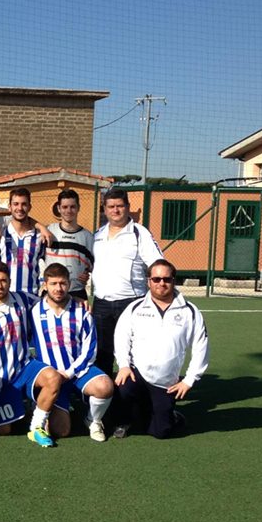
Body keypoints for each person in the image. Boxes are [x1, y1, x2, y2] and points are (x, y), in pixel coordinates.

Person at [0, 262, 62, 447]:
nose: (0, 285)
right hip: (1, 378)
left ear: (10, 281)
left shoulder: (23, 299)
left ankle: (36, 427)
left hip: (25, 367)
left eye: (3, 280)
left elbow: (50, 300)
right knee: (5, 431)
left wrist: (77, 301)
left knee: (53, 378)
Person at [113, 259, 209, 439]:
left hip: (166, 380)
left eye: (166, 279)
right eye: (156, 279)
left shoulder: (190, 311)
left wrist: (189, 380)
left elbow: (201, 347)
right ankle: (125, 420)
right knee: (122, 387)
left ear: (174, 280)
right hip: (137, 373)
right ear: (148, 281)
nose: (161, 283)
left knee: (161, 432)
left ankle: (169, 414)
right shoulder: (135, 308)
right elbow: (121, 337)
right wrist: (124, 365)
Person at [29, 263, 114, 442]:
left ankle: (93, 420)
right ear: (45, 285)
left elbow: (90, 350)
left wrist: (68, 373)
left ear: (69, 284)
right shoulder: (34, 311)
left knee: (105, 386)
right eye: (53, 284)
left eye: (62, 283)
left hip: (77, 372)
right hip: (52, 378)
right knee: (61, 431)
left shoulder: (81, 310)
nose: (58, 288)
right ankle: (43, 402)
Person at [91, 187, 163, 375]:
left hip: (131, 303)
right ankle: (105, 398)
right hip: (101, 304)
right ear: (105, 210)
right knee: (101, 354)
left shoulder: (140, 233)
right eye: (111, 206)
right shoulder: (97, 235)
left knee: (133, 354)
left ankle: (133, 399)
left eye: (120, 206)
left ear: (128, 207)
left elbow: (157, 265)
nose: (115, 210)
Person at [46, 188, 95, 300]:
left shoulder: (87, 236)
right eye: (65, 207)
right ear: (58, 208)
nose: (69, 211)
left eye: (72, 207)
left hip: (77, 292)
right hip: (52, 292)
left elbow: (94, 265)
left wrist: (86, 273)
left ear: (78, 208)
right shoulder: (49, 231)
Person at [0, 188, 47, 295]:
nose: (20, 208)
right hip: (6, 296)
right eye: (16, 204)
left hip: (31, 297)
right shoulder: (1, 234)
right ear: (9, 206)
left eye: (24, 204)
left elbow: (53, 262)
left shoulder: (39, 237)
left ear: (29, 207)